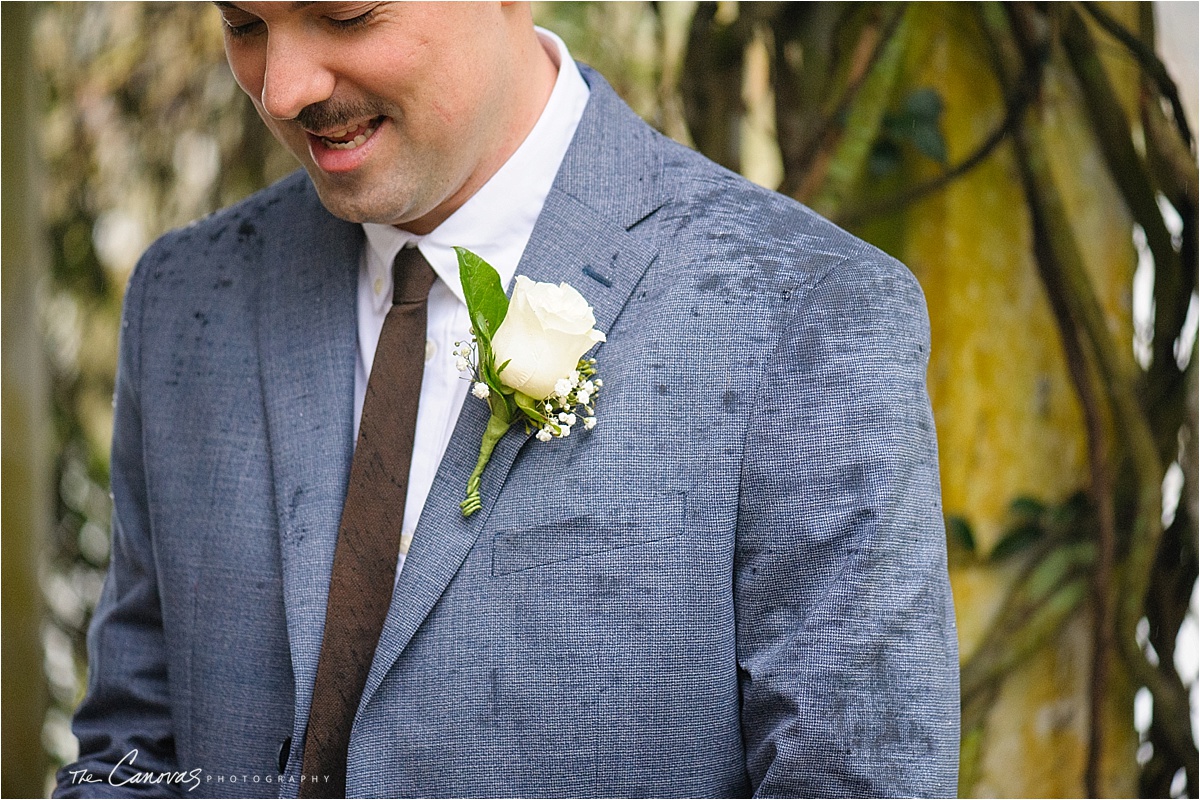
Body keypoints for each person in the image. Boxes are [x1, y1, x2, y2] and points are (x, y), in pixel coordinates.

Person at [56, 3, 959, 798]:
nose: (283, 90)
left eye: (343, 15)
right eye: (243, 25)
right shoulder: (185, 298)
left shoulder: (808, 312)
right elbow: (135, 745)